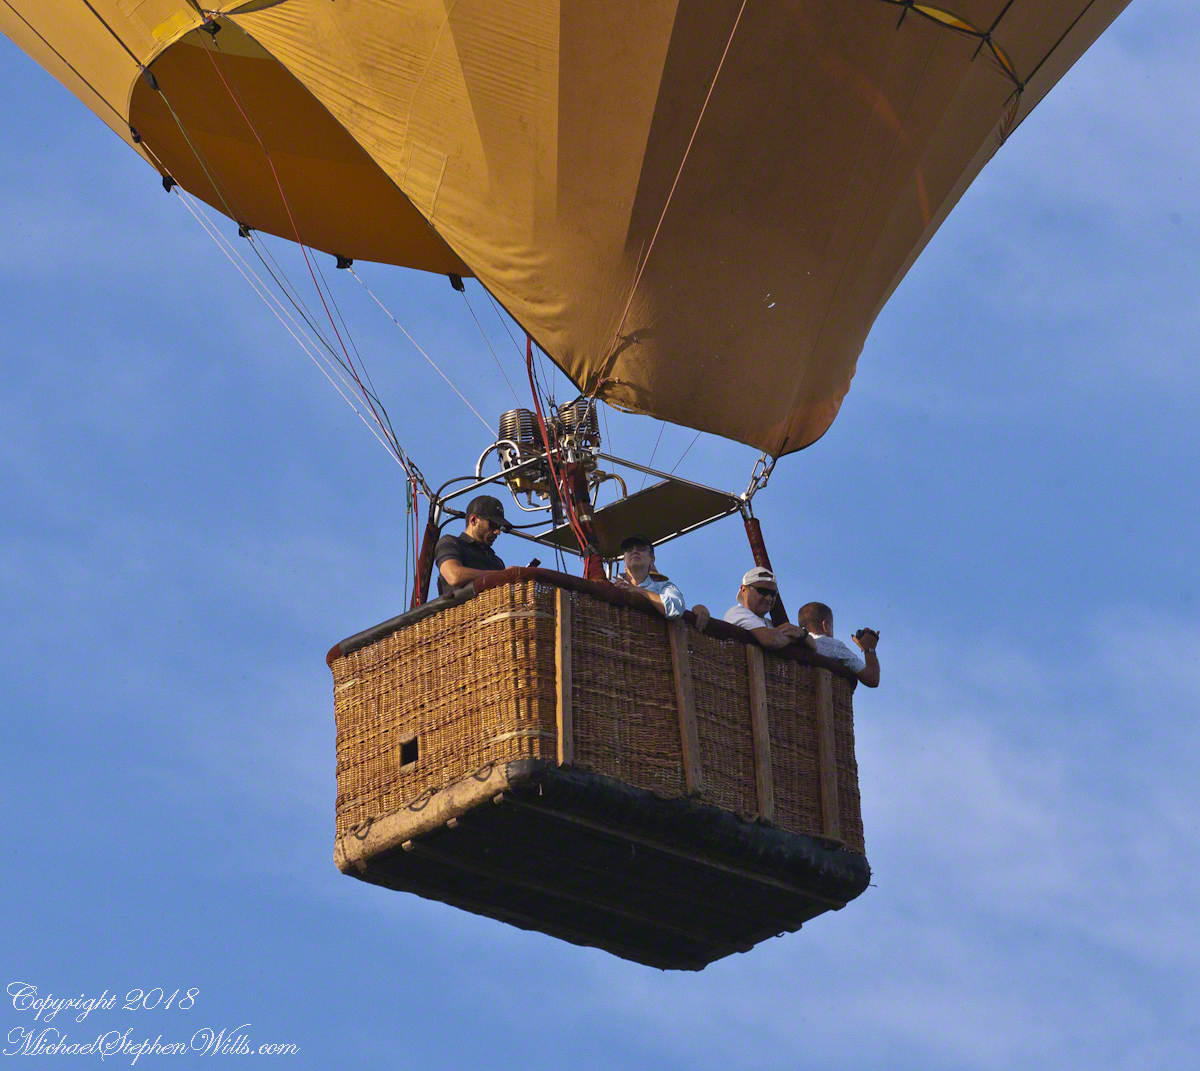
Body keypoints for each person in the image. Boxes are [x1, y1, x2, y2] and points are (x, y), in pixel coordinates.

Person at [612, 534, 710, 630]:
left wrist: (639, 591)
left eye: (641, 548)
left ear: (652, 560)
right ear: (624, 559)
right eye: (629, 549)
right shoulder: (611, 584)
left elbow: (676, 609)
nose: (634, 551)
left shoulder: (664, 587)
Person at [434, 495, 512, 596]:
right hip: (460, 606)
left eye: (499, 527)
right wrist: (500, 575)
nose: (497, 532)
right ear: (473, 520)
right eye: (493, 525)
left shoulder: (497, 562)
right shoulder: (450, 543)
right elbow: (454, 576)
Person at [724, 567, 815, 651]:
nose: (768, 598)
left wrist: (802, 633)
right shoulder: (736, 613)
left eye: (773, 593)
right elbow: (771, 640)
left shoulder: (771, 625)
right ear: (744, 590)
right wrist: (794, 638)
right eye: (762, 591)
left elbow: (814, 646)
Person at [797, 601, 880, 687]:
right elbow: (872, 679)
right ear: (825, 625)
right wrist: (869, 648)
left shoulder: (796, 642)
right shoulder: (833, 646)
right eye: (832, 627)